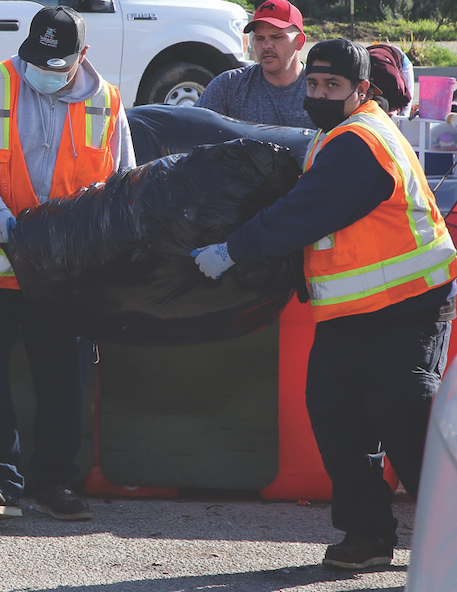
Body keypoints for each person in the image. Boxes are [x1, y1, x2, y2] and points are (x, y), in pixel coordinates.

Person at [192, 38, 456, 571]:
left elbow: (303, 214)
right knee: (338, 418)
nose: (317, 93)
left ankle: (447, 544)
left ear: (362, 90)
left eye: (331, 86)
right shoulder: (337, 134)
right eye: (312, 84)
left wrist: (232, 250)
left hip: (407, 306)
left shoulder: (361, 142)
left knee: (406, 424)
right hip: (355, 311)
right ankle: (367, 537)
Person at [0, 5, 136, 520]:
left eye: (56, 65)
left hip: (62, 276)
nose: (42, 73)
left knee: (63, 379)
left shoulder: (107, 103)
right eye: (36, 60)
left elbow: (122, 185)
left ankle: (55, 482)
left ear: (82, 57)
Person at [195, 0, 313, 128]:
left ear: (300, 41)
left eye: (276, 37)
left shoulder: (320, 89)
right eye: (259, 38)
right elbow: (192, 128)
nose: (266, 45)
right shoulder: (229, 86)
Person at [367, 43, 415, 117]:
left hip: (401, 60)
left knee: (403, 115)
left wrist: (396, 111)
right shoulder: (359, 76)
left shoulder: (393, 79)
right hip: (373, 53)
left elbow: (405, 98)